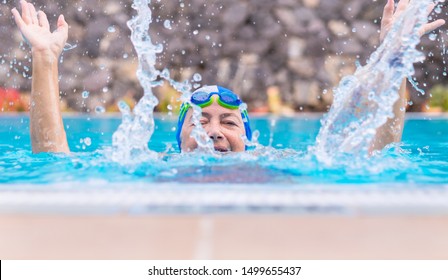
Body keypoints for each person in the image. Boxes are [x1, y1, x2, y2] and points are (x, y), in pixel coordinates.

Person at [11, 0, 445, 154]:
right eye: (198, 121)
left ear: (249, 136)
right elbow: (53, 160)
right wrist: (46, 62)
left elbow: (380, 150)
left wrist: (394, 56)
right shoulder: (150, 168)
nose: (212, 132)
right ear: (178, 137)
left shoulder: (276, 164)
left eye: (228, 121)